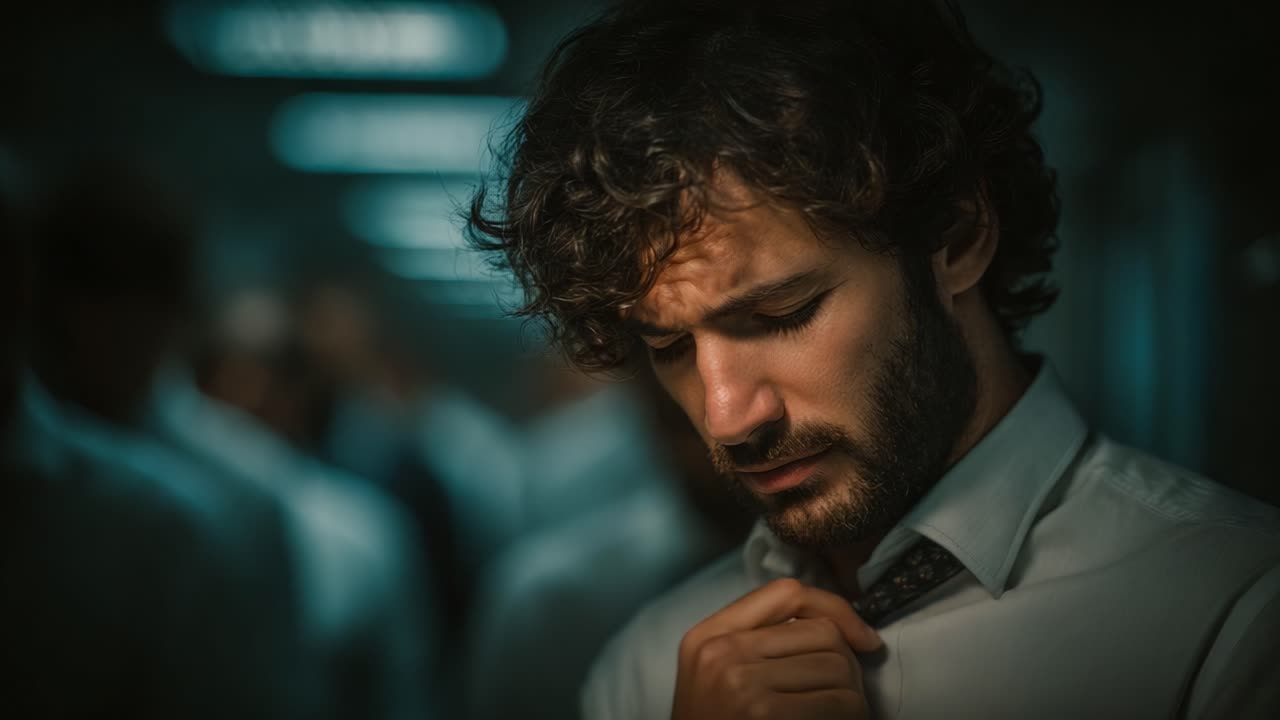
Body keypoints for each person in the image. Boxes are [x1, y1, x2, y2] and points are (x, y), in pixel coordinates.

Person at [465, 1, 1280, 718]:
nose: (725, 417)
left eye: (780, 314)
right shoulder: (647, 669)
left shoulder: (1233, 614)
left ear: (955, 240)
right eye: (670, 346)